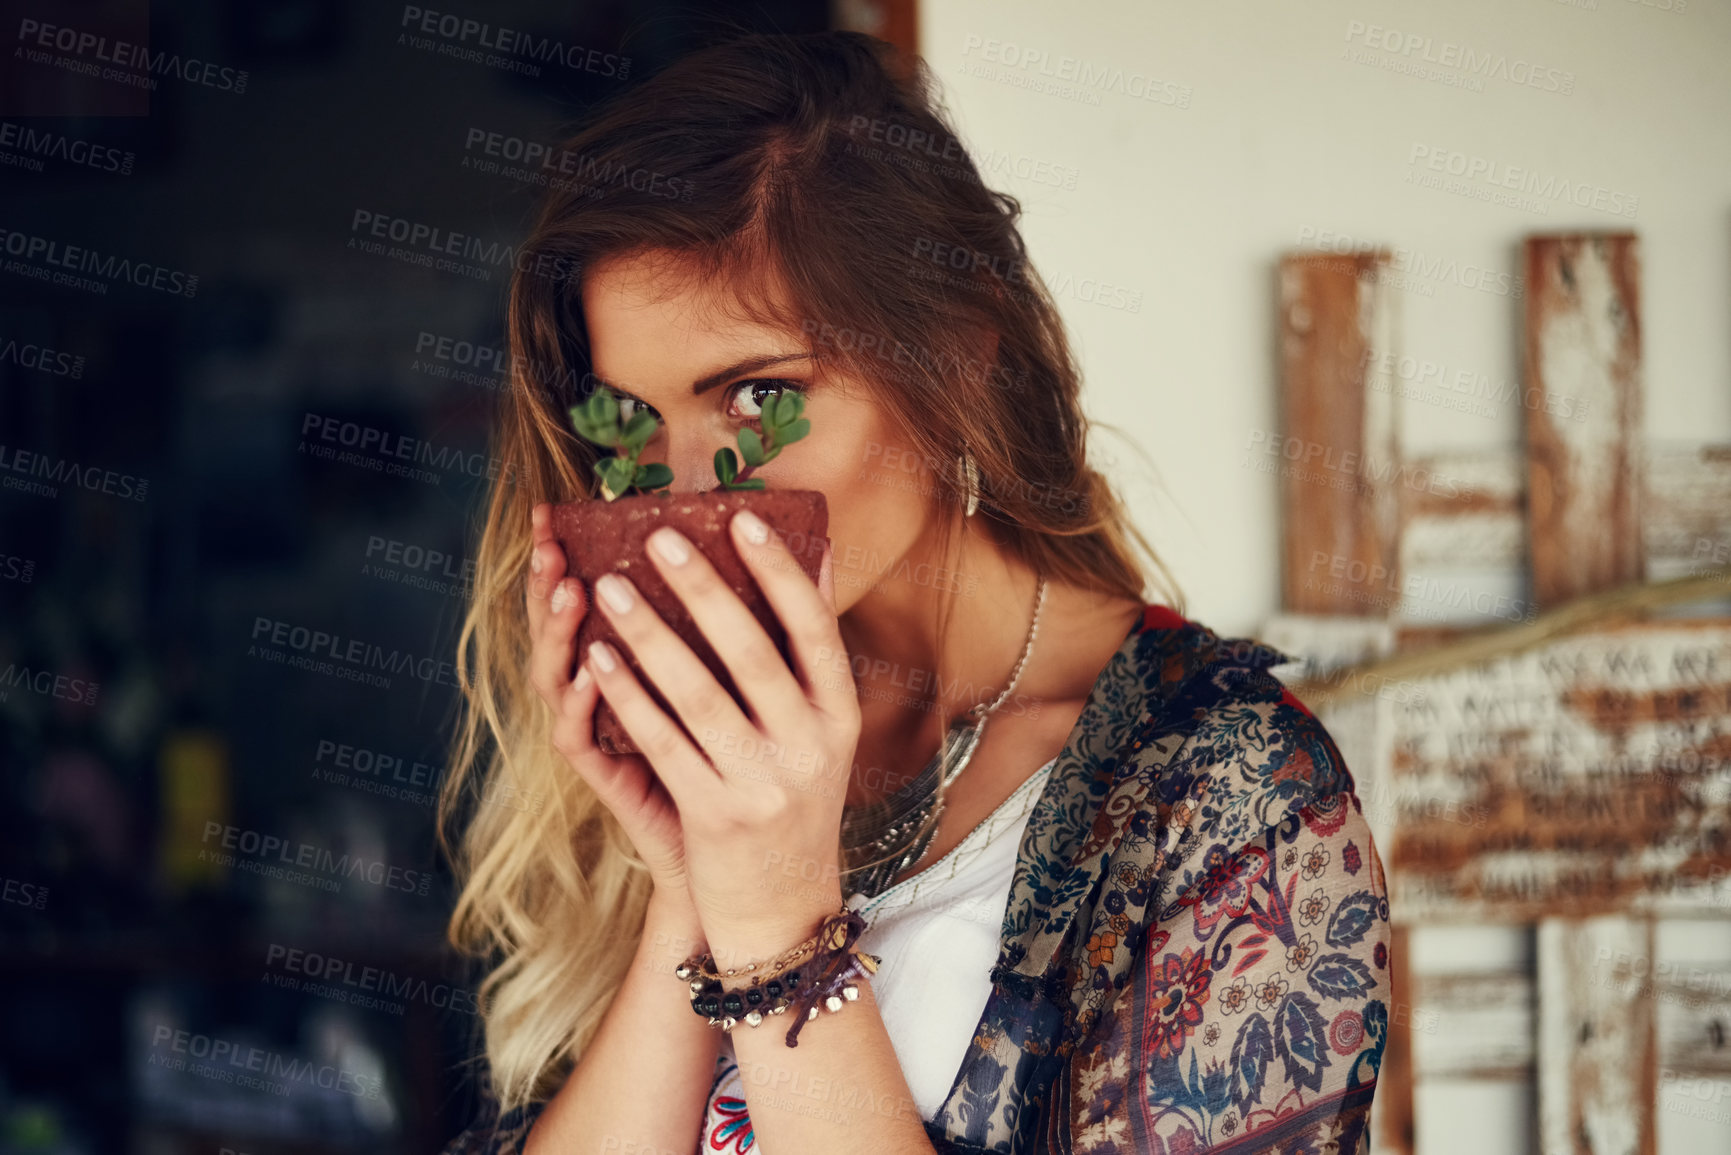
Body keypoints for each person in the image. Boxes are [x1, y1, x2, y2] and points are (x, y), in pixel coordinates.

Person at [437, 29, 1389, 1155]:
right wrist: (696, 888)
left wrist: (779, 924)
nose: (684, 498)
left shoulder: (1232, 805)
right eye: (630, 426)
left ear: (953, 363)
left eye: (755, 399)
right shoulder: (711, 757)